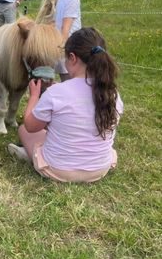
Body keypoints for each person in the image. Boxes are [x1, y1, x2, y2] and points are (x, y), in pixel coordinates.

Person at [8, 27, 124, 183]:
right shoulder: (112, 93)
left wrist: (34, 96)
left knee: (24, 130)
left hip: (59, 170)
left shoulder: (56, 93)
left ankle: (31, 155)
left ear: (72, 58)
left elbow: (30, 125)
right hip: (99, 169)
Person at [36, 0, 85, 81]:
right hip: (68, 50)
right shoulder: (73, 0)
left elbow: (54, 23)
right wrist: (65, 52)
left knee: (64, 84)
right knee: (71, 85)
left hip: (57, 47)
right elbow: (65, 29)